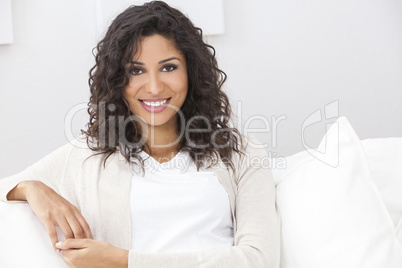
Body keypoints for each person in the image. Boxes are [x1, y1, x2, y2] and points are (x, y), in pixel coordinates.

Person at [0, 1, 280, 267]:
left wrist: (125, 262)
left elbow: (259, 259)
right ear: (116, 81)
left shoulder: (240, 152)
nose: (155, 87)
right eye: (136, 71)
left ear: (191, 72)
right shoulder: (89, 155)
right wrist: (31, 187)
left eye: (168, 67)